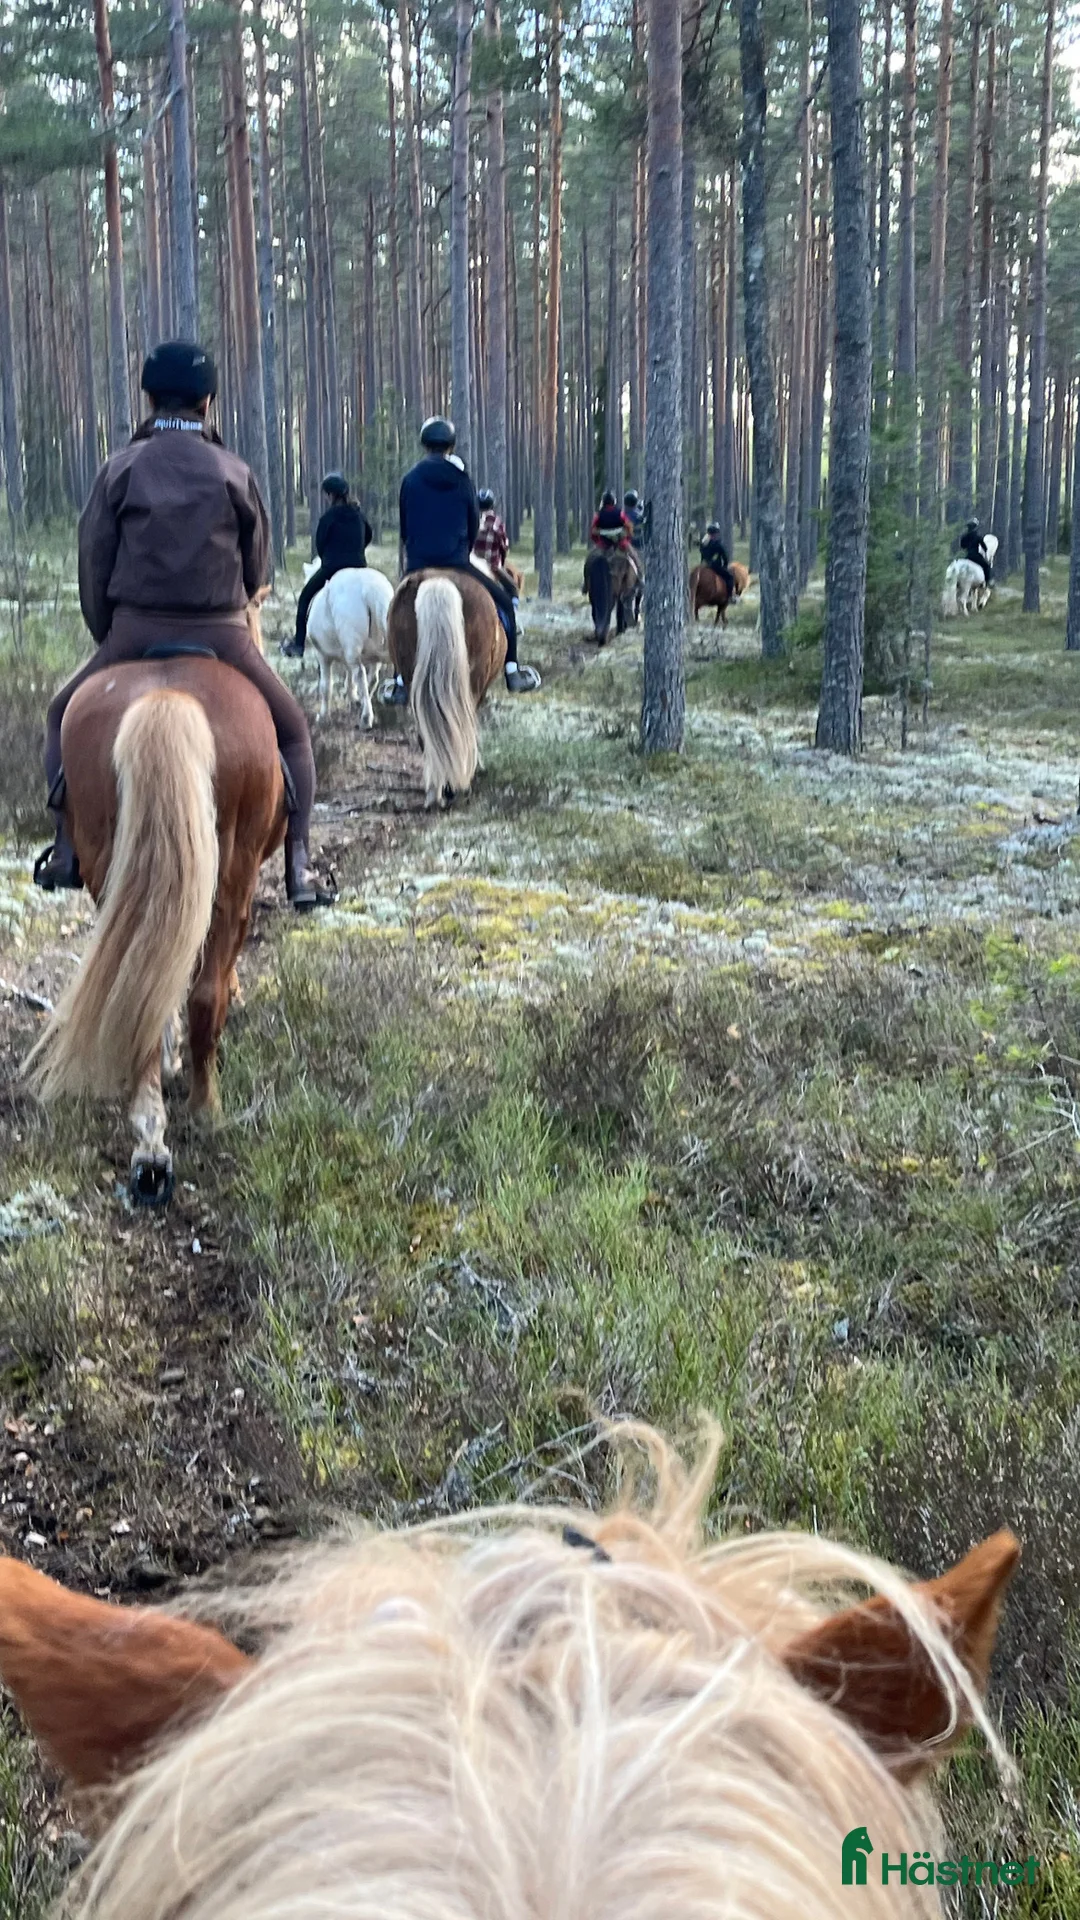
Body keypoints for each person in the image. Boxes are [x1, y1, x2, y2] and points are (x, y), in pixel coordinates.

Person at [34, 340, 332, 911]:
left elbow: (93, 561)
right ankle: (298, 866)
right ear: (208, 401)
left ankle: (68, 847)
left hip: (134, 631)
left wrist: (112, 638)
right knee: (293, 734)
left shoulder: (119, 467)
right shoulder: (233, 470)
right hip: (223, 634)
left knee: (57, 718)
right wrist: (232, 615)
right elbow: (256, 567)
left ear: (148, 398)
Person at [386, 417, 540, 703]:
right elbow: (472, 527)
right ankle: (512, 670)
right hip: (458, 561)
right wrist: (459, 551)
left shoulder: (410, 479)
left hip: (419, 563)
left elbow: (405, 529)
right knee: (505, 604)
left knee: (395, 613)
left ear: (424, 444)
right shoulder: (463, 481)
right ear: (451, 445)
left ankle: (398, 679)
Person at [281, 473, 373, 659]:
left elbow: (320, 544)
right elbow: (368, 536)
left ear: (331, 495)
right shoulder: (358, 514)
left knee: (305, 598)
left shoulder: (328, 518)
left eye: (326, 494)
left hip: (333, 568)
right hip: (360, 567)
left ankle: (298, 645)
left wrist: (330, 559)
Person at [700, 523, 736, 600]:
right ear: (715, 533)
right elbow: (724, 556)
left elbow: (702, 554)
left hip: (704, 565)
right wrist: (725, 565)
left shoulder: (703, 543)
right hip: (715, 566)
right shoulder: (718, 544)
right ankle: (730, 596)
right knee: (730, 577)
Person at [960, 518, 992, 586]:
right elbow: (985, 548)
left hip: (968, 556)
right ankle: (987, 583)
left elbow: (962, 546)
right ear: (975, 527)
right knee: (986, 566)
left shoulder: (964, 536)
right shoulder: (977, 536)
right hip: (976, 556)